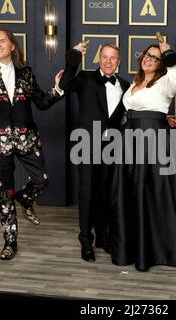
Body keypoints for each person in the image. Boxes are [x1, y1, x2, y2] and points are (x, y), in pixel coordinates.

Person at [0, 28, 64, 260]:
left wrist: (58, 88)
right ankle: (10, 242)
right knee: (5, 194)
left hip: (26, 138)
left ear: (12, 46)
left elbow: (41, 101)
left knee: (42, 179)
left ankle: (26, 198)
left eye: (3, 41)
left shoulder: (25, 72)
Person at [109, 42, 176, 272]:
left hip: (155, 141)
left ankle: (163, 250)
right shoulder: (134, 83)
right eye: (147, 55)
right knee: (132, 193)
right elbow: (128, 111)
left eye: (155, 57)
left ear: (162, 63)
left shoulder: (166, 81)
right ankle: (134, 248)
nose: (148, 59)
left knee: (155, 194)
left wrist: (169, 55)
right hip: (130, 141)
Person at [59, 43, 130, 262]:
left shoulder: (126, 85)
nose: (108, 61)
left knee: (106, 192)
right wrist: (75, 56)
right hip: (86, 144)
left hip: (112, 146)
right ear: (99, 59)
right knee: (88, 192)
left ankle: (103, 236)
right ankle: (85, 240)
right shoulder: (85, 78)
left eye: (113, 58)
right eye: (105, 57)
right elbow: (65, 83)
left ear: (119, 62)